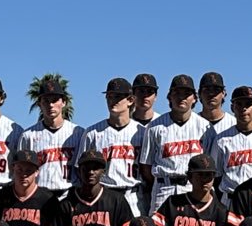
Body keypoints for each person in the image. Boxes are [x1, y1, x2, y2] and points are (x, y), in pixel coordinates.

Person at [137, 74, 212, 214]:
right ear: (169, 97)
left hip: (193, 187)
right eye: (177, 93)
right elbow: (146, 167)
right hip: (163, 189)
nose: (181, 98)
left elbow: (212, 163)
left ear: (194, 98)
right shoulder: (154, 127)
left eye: (186, 94)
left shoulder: (205, 127)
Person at [53, 149, 134, 226]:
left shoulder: (116, 200)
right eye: (86, 168)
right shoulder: (66, 204)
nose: (90, 172)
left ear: (103, 171)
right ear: (79, 171)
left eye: (95, 168)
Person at [81, 78, 146, 215]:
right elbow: (80, 168)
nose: (113, 101)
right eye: (110, 97)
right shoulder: (93, 133)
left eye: (118, 96)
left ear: (130, 100)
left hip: (133, 195)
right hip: (104, 194)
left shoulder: (142, 132)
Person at [17, 79, 84, 194]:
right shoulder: (28, 136)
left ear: (64, 102)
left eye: (55, 100)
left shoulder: (78, 133)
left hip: (70, 194)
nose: (51, 105)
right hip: (40, 195)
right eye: (46, 101)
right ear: (39, 104)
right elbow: (20, 170)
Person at [209, 85, 252, 197]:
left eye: (248, 104)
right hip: (231, 199)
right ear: (232, 107)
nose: (244, 108)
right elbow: (216, 177)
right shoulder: (221, 139)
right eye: (239, 104)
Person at [199, 72, 234, 136]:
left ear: (223, 93)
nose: (211, 94)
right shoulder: (191, 123)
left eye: (216, 90)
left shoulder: (234, 124)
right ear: (199, 94)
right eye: (207, 90)